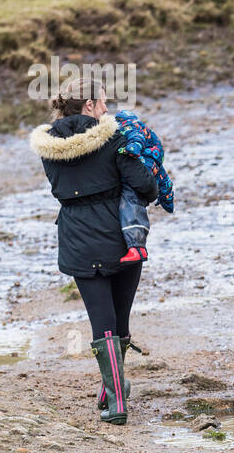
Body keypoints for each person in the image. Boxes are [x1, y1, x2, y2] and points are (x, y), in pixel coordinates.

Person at [30, 78, 158, 424]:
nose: (106, 109)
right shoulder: (114, 139)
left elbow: (63, 188)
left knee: (101, 320)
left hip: (77, 241)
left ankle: (112, 395)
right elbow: (147, 188)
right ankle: (116, 397)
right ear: (88, 106)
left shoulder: (48, 148)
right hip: (119, 238)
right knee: (119, 320)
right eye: (102, 103)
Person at [112, 109, 174, 263]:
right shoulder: (146, 134)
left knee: (130, 201)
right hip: (149, 161)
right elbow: (164, 179)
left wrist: (132, 149)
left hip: (139, 162)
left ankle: (136, 246)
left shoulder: (129, 127)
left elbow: (136, 137)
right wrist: (167, 199)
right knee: (160, 177)